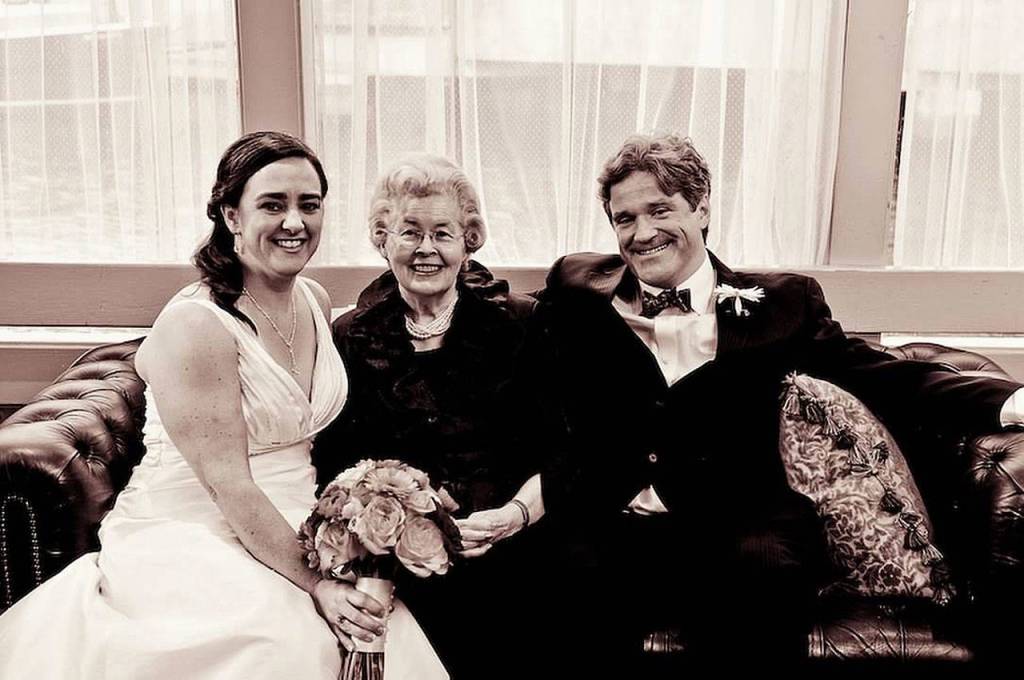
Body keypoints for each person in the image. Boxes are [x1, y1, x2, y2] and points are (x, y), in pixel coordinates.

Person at [526, 133, 1024, 672]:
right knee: (557, 579)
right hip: (614, 519)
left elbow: (882, 375)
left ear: (701, 206)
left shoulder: (784, 304)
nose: (642, 233)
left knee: (762, 575)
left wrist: (1011, 400)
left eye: (659, 210)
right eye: (625, 219)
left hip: (739, 523)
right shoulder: (578, 287)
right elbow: (491, 305)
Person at [0, 131, 446, 679]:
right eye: (272, 205)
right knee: (280, 644)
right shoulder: (198, 323)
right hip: (194, 524)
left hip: (297, 515)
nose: (294, 223)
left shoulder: (313, 298)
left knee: (380, 628)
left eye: (310, 205)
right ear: (231, 215)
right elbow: (228, 485)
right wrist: (319, 585)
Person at [313, 153, 545, 679]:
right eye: (408, 232)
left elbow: (561, 452)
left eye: (442, 233)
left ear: (470, 240)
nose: (425, 249)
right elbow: (335, 462)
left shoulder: (522, 324)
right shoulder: (350, 335)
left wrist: (516, 514)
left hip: (514, 540)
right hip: (400, 561)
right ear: (381, 238)